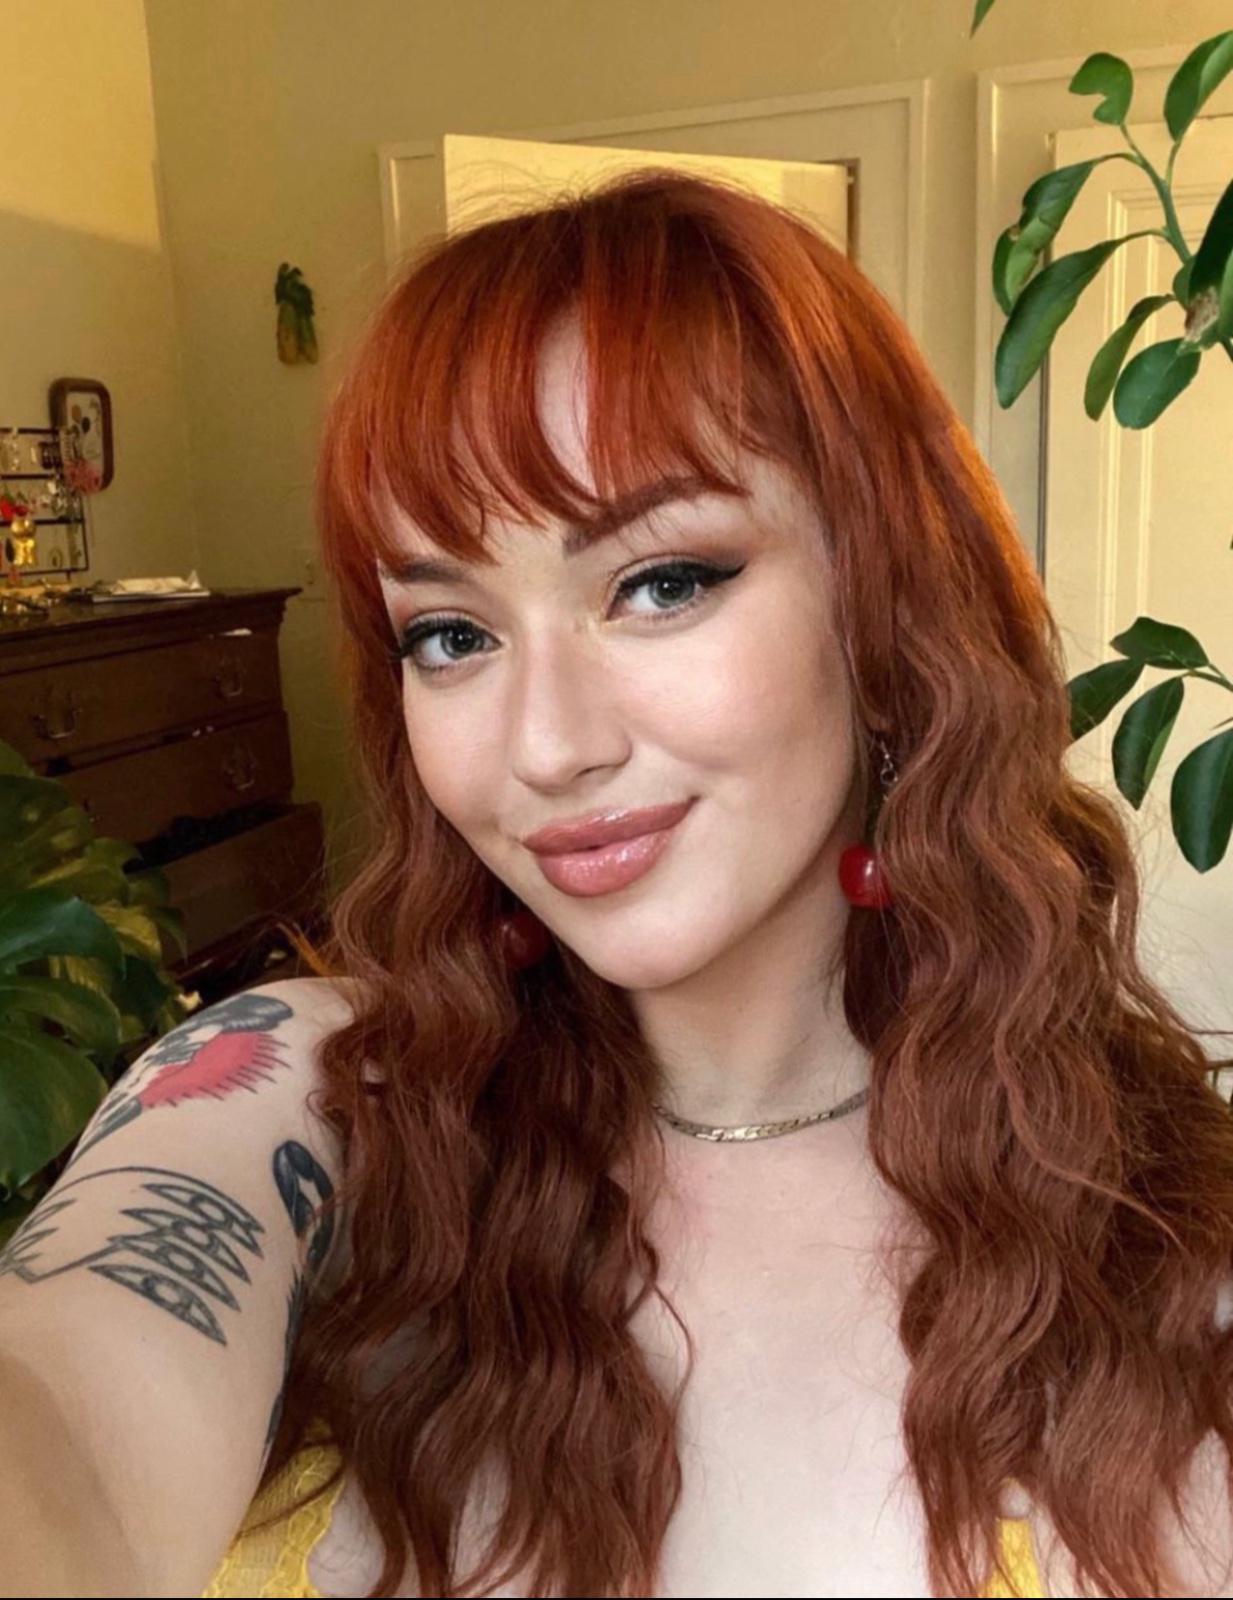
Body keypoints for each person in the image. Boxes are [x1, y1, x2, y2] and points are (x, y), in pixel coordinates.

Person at [4, 169, 1233, 1600]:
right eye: (451, 633)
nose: (545, 747)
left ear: (886, 600)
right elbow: (71, 1435)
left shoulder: (1165, 1258)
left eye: (662, 582)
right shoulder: (310, 1101)